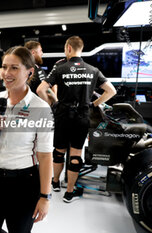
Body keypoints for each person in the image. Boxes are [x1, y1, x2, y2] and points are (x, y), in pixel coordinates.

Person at [0, 46, 53, 233]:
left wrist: (45, 197)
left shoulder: (41, 108)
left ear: (30, 71)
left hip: (23, 185)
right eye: (4, 67)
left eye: (14, 68)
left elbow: (45, 156)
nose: (7, 73)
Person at [37, 36, 116, 203]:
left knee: (58, 152)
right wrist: (94, 104)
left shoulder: (59, 68)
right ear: (81, 48)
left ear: (68, 48)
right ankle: (70, 192)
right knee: (75, 154)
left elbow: (41, 89)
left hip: (62, 116)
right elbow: (111, 91)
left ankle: (56, 183)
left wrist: (53, 104)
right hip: (82, 117)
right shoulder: (93, 70)